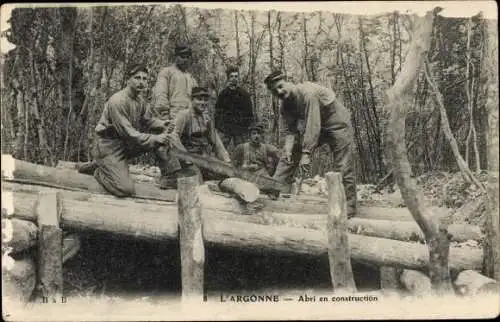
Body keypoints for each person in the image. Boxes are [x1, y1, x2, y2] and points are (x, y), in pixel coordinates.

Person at [263, 71, 357, 218]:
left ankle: (349, 208)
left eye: (281, 86)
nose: (280, 92)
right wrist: (288, 150)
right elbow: (290, 131)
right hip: (315, 125)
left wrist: (306, 154)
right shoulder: (285, 106)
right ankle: (275, 190)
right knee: (288, 156)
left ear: (289, 81)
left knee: (343, 164)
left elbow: (313, 125)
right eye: (275, 92)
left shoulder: (308, 93)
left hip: (336, 121)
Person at [79, 64, 176, 197]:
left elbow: (147, 121)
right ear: (128, 80)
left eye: (144, 79)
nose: (141, 82)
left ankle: (169, 178)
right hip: (109, 146)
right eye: (137, 78)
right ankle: (99, 171)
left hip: (125, 144)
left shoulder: (139, 100)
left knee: (162, 140)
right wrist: (155, 138)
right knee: (125, 189)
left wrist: (163, 124)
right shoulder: (117, 101)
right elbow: (129, 134)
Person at [168, 86, 231, 183]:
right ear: (192, 100)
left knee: (227, 172)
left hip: (203, 157)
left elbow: (216, 141)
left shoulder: (206, 118)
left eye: (205, 100)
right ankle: (172, 179)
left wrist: (226, 160)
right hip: (187, 159)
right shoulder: (184, 115)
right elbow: (173, 137)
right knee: (197, 181)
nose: (203, 103)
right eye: (199, 99)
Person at [151, 43, 198, 121]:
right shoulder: (166, 72)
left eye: (187, 57)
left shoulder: (191, 78)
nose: (185, 60)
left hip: (189, 119)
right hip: (172, 117)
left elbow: (197, 100)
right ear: (176, 57)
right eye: (182, 57)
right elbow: (161, 95)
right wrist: (165, 117)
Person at [214, 66, 254, 150]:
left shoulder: (244, 94)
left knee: (242, 151)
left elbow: (249, 114)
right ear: (228, 78)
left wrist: (246, 127)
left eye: (236, 76)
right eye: (231, 76)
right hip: (225, 128)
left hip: (240, 129)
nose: (234, 79)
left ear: (238, 77)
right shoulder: (223, 94)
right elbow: (217, 112)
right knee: (219, 149)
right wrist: (219, 127)